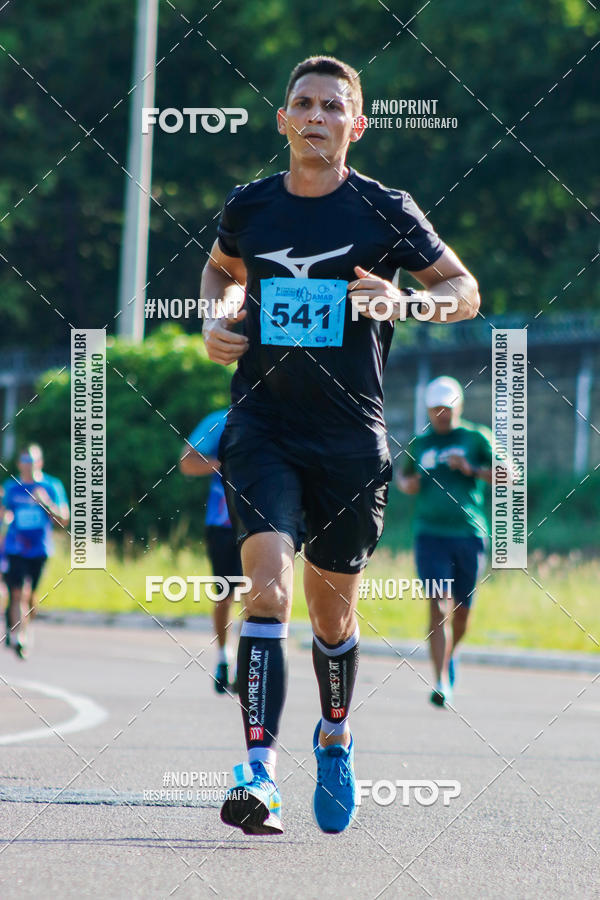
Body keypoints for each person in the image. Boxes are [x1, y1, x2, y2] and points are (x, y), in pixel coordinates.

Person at [201, 55, 480, 835]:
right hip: (260, 426)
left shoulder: (383, 209)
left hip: (350, 441)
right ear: (283, 119)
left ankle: (335, 733)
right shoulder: (250, 206)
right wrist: (215, 317)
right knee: (266, 587)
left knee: (330, 619)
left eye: (332, 105)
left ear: (355, 125)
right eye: (303, 103)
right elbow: (221, 269)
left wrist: (406, 301)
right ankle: (258, 775)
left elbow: (464, 290)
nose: (316, 114)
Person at [397, 376, 493, 708]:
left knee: (463, 612)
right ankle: (439, 681)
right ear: (427, 409)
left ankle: (451, 655)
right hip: (430, 534)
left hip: (469, 533)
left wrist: (472, 469)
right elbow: (404, 477)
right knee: (439, 605)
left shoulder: (475, 437)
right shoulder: (420, 443)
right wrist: (406, 484)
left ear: (459, 407)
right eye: (436, 410)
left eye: (447, 409)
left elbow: (510, 473)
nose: (442, 415)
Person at [179, 408, 243, 694]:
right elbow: (187, 462)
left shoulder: (281, 412)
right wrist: (225, 462)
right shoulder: (220, 420)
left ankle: (248, 661)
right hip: (223, 524)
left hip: (265, 526)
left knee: (260, 597)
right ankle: (223, 657)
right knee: (225, 595)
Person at [1, 444, 69, 658]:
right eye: (25, 461)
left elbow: (63, 520)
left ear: (40, 462)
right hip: (15, 547)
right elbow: (3, 514)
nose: (28, 466)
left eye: (32, 461)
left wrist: (46, 503)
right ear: (19, 464)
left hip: (40, 548)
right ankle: (20, 635)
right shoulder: (12, 487)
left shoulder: (51, 486)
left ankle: (20, 626)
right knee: (18, 592)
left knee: (30, 597)